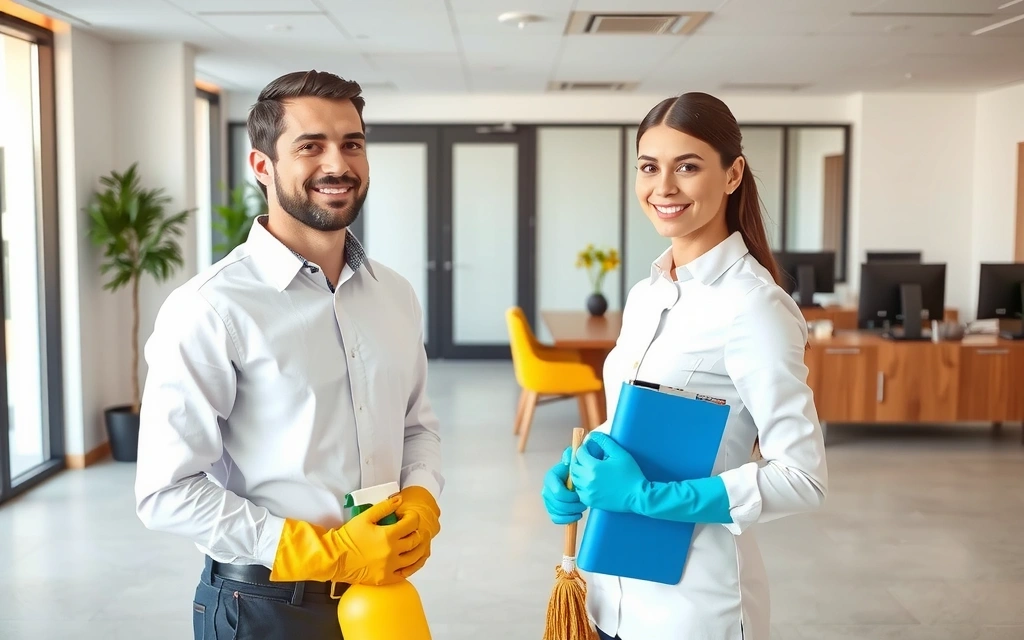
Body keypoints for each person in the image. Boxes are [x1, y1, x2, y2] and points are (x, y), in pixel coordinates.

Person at [135, 70, 443, 639]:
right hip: (264, 606)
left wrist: (422, 494)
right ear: (262, 167)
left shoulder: (393, 294)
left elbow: (416, 426)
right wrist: (319, 550)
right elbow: (165, 492)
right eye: (311, 146)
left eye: (352, 143)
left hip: (379, 597)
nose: (338, 163)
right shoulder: (210, 308)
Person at [541, 92, 828, 640]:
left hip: (691, 612)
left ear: (732, 174)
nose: (663, 187)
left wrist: (646, 498)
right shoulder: (647, 294)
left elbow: (803, 478)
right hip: (606, 595)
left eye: (688, 167)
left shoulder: (755, 307)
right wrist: (581, 466)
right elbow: (631, 422)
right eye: (649, 167)